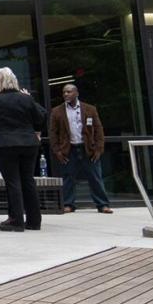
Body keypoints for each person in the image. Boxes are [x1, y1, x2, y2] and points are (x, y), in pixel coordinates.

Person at [0, 68, 48, 232]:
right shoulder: (26, 99)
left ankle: (16, 220)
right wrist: (31, 101)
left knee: (13, 182)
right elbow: (41, 116)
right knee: (28, 180)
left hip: (5, 145)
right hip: (29, 144)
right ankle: (34, 221)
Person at [50, 83, 112, 214]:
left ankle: (102, 204)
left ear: (76, 93)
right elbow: (53, 133)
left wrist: (99, 149)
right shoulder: (57, 111)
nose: (66, 94)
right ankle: (68, 204)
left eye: (69, 92)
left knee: (95, 176)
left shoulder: (90, 109)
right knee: (68, 177)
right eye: (64, 92)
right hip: (69, 149)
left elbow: (99, 130)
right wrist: (57, 151)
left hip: (87, 149)